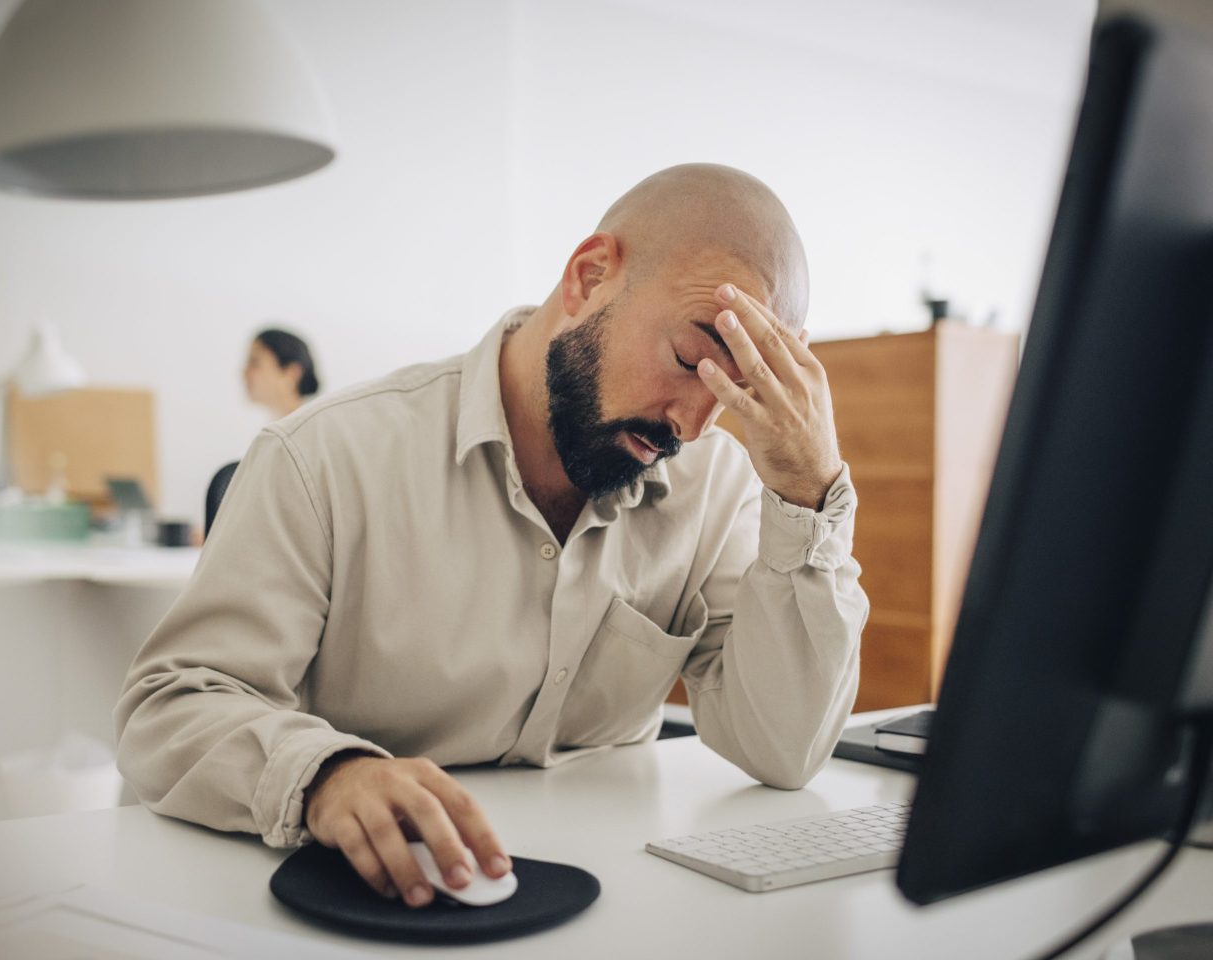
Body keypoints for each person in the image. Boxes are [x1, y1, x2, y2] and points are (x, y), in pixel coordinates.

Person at [116, 163, 867, 910]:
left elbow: (785, 750)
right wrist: (326, 776)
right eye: (687, 360)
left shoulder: (719, 489)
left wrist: (808, 494)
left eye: (737, 388)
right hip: (341, 910)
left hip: (606, 911)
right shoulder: (323, 458)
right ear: (589, 277)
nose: (692, 426)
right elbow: (169, 709)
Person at [243, 327, 319, 418]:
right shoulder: (275, 425)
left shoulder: (317, 424)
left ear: (291, 373)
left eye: (255, 362)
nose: (245, 373)